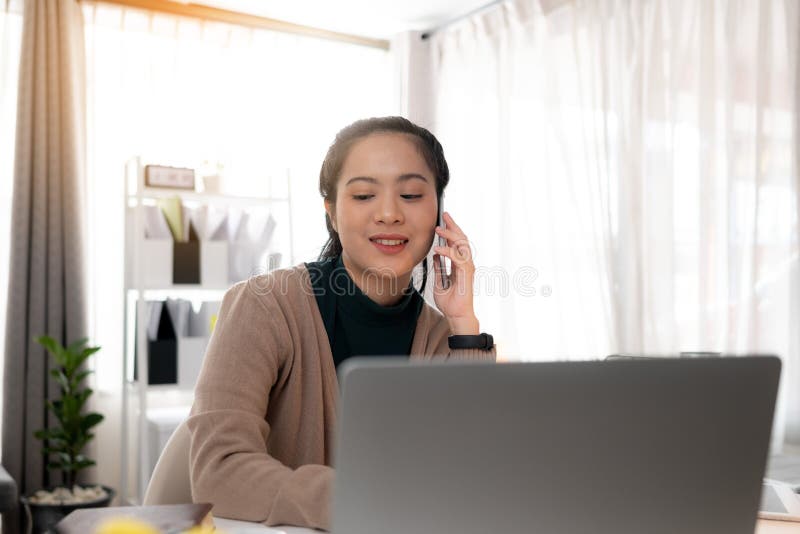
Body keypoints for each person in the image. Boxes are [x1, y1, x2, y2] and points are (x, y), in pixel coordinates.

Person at [187, 116, 496, 531]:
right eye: (365, 195)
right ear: (331, 211)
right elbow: (217, 472)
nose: (389, 213)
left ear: (438, 211)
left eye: (410, 193)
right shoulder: (264, 307)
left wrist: (463, 323)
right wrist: (360, 501)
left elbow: (477, 481)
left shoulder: (448, 337)